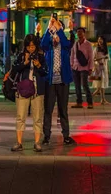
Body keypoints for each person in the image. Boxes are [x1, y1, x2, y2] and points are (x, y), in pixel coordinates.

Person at [41, 17, 76, 145]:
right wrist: (48, 28)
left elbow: (68, 43)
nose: (55, 31)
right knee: (48, 109)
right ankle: (46, 136)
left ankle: (66, 135)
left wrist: (60, 29)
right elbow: (42, 44)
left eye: (57, 27)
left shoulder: (64, 46)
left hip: (63, 81)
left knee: (63, 109)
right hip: (50, 81)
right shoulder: (48, 45)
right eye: (54, 28)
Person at [11, 34, 48, 152]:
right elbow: (15, 69)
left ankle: (37, 142)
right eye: (29, 46)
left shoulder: (41, 56)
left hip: (38, 90)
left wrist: (38, 65)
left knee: (37, 117)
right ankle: (19, 142)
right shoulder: (21, 56)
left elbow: (45, 72)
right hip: (23, 90)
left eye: (33, 46)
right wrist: (25, 62)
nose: (31, 48)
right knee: (20, 116)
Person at [70, 27, 94, 109]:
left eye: (80, 32)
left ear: (84, 33)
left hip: (84, 68)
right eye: (78, 32)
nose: (79, 34)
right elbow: (72, 55)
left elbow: (91, 57)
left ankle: (90, 102)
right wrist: (71, 64)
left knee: (85, 85)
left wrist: (91, 68)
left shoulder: (88, 44)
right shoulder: (75, 44)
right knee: (77, 86)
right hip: (75, 67)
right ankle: (79, 102)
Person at [92, 36, 110, 104]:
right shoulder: (96, 49)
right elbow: (93, 59)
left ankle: (102, 99)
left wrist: (108, 69)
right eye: (99, 40)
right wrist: (101, 58)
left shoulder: (106, 49)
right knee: (99, 86)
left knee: (102, 85)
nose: (99, 41)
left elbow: (107, 60)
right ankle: (92, 97)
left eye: (101, 40)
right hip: (98, 69)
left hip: (104, 68)